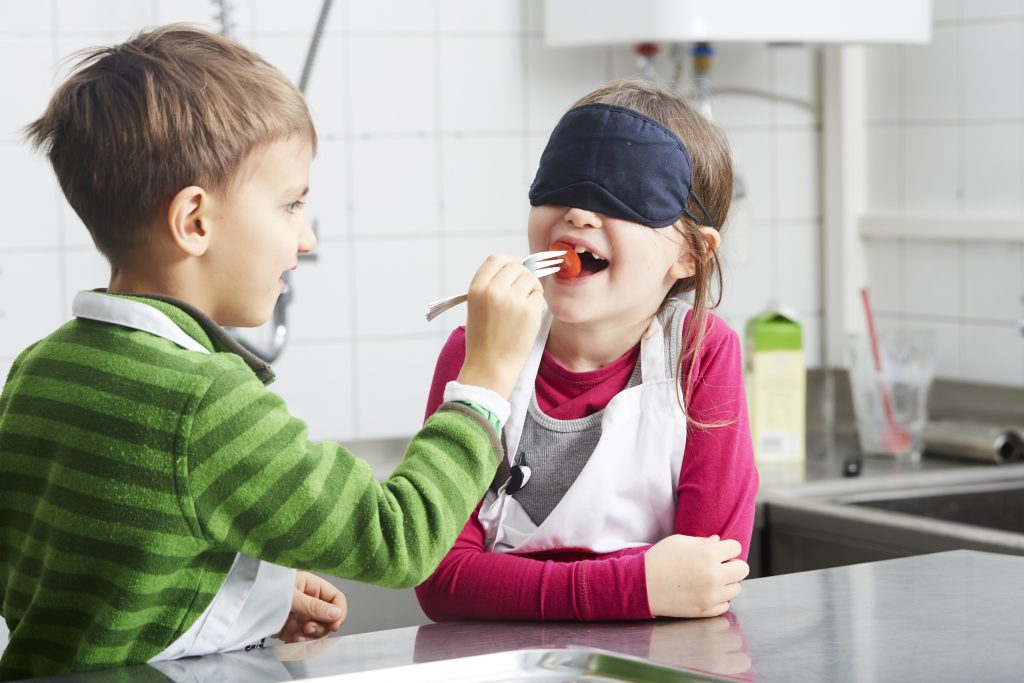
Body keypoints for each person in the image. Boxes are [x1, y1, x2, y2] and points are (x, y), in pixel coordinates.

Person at [0, 24, 545, 680]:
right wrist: (484, 381)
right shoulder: (204, 400)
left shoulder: (39, 369)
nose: (305, 238)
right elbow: (400, 539)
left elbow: (85, 580)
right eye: (290, 205)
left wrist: (244, 601)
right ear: (195, 221)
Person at [415, 79, 758, 622]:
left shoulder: (700, 355)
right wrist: (638, 585)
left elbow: (707, 575)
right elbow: (439, 579)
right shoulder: (477, 351)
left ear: (690, 255)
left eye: (625, 192)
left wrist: (508, 582)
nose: (578, 213)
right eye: (563, 182)